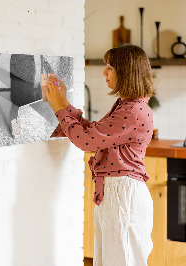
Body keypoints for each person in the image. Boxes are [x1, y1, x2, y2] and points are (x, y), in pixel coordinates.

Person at [43, 44, 155, 266]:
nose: (104, 72)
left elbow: (86, 141)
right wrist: (64, 103)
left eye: (110, 67)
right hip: (118, 193)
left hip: (123, 195)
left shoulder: (132, 111)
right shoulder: (128, 106)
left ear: (126, 72)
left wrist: (58, 108)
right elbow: (94, 133)